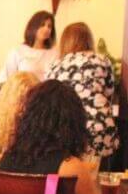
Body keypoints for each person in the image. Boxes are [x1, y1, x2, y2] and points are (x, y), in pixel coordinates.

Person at [45, 22, 120, 159]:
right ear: (88, 39)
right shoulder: (101, 60)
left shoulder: (54, 65)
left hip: (63, 129)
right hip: (97, 127)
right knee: (96, 170)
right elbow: (109, 92)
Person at [0, 10, 58, 84]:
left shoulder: (55, 53)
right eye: (42, 25)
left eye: (49, 26)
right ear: (33, 26)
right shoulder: (18, 51)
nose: (46, 29)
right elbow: (5, 80)